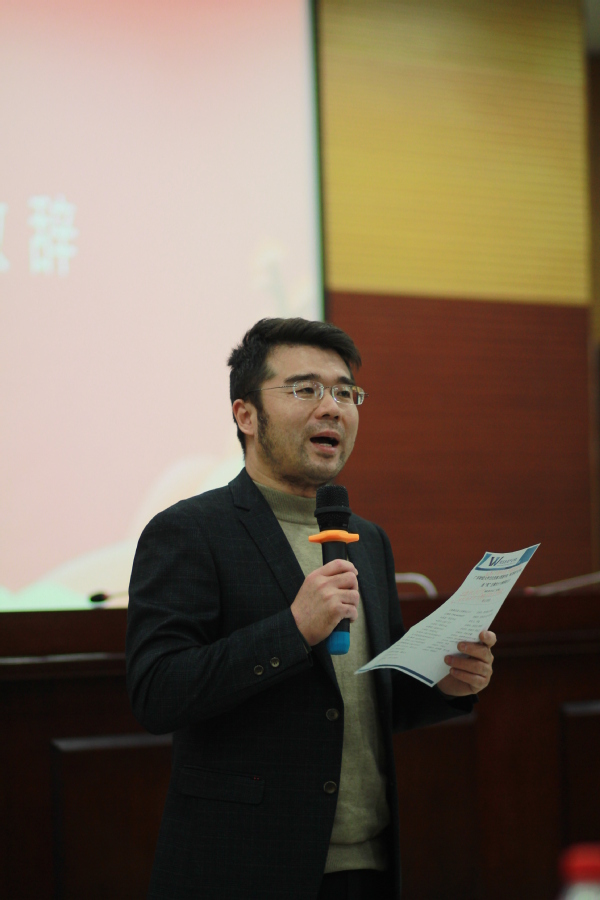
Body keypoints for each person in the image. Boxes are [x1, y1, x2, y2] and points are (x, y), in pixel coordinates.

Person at [126, 317, 496, 900]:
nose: (332, 408)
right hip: (246, 869)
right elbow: (157, 692)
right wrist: (293, 630)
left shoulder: (366, 539)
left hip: (369, 864)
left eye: (346, 393)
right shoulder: (190, 531)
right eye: (306, 390)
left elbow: (364, 699)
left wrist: (445, 683)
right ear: (246, 415)